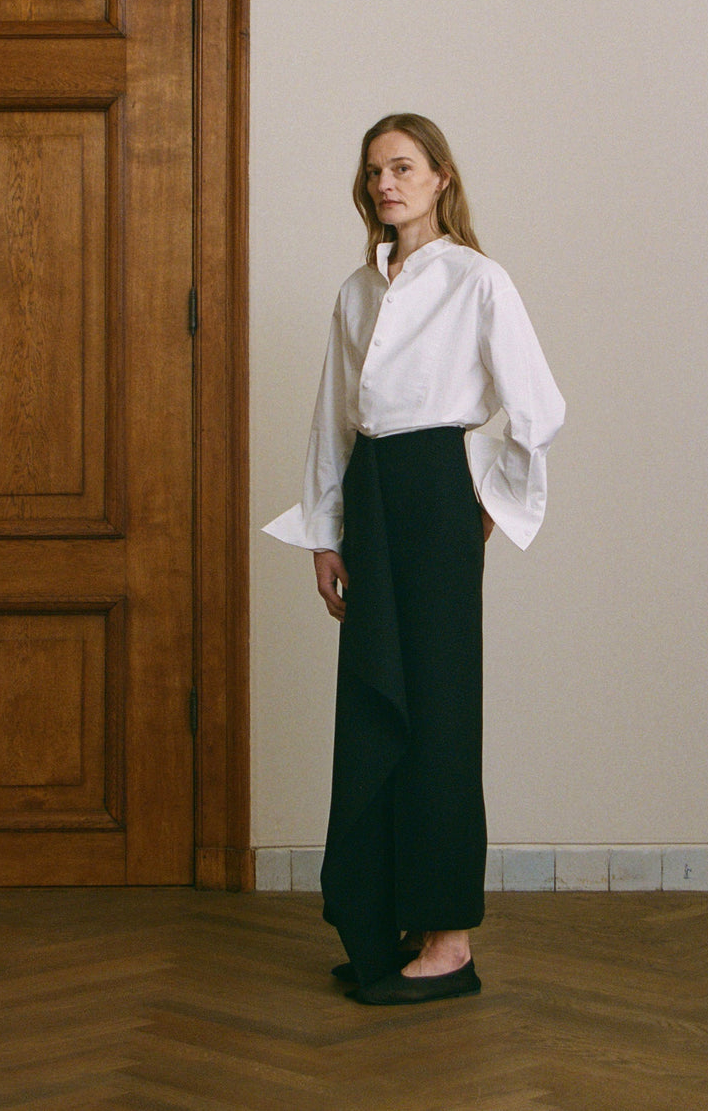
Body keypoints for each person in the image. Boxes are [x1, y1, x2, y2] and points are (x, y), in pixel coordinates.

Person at [264, 113, 565, 1005]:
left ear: (440, 177)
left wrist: (483, 498)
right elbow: (330, 420)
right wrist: (322, 534)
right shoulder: (358, 291)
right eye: (373, 172)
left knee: (437, 710)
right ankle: (384, 916)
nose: (385, 184)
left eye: (402, 168)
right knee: (372, 705)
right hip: (369, 498)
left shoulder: (477, 279)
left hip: (435, 495)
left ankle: (448, 940)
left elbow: (538, 409)